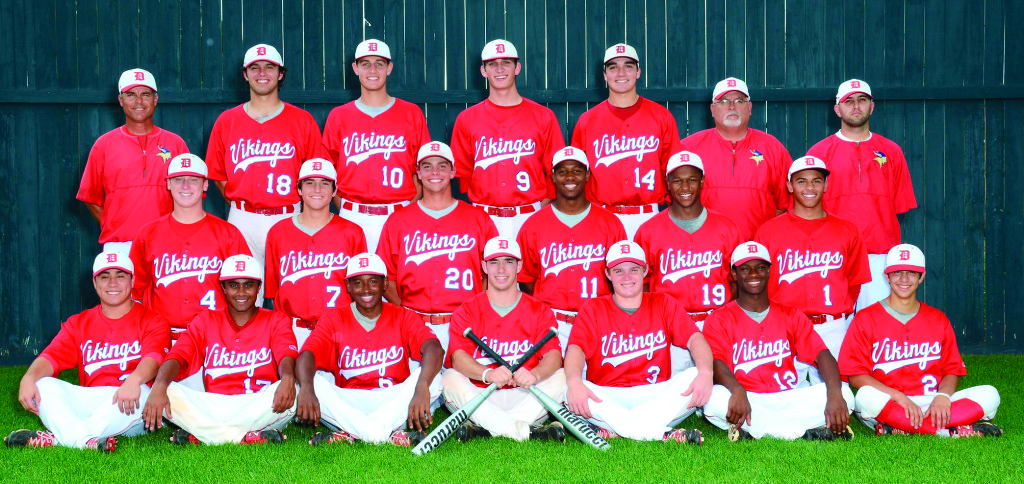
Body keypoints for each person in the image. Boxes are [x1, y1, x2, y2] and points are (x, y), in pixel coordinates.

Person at [5, 250, 170, 452]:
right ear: (95, 283)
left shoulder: (153, 320)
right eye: (104, 276)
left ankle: (63, 438)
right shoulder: (79, 323)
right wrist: (28, 378)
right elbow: (50, 357)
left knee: (145, 390)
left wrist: (134, 380)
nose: (112, 283)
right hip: (91, 399)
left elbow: (153, 360)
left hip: (130, 405)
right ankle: (84, 440)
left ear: (132, 280)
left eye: (120, 275)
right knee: (42, 384)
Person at [839, 244, 1002, 437]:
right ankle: (947, 431)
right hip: (890, 402)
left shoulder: (938, 319)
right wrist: (899, 397)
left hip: (931, 400)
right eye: (897, 272)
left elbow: (952, 369)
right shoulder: (866, 318)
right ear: (887, 276)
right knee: (864, 398)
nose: (904, 279)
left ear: (921, 276)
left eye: (912, 272)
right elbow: (856, 376)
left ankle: (902, 428)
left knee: (990, 394)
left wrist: (942, 397)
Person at [205, 44, 325, 305]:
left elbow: (317, 177)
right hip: (243, 219)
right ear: (245, 74)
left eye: (269, 67)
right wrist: (242, 203)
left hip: (290, 215)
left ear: (280, 73)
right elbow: (217, 174)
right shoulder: (227, 121)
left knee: (295, 291)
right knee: (243, 297)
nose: (262, 73)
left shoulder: (302, 120)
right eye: (254, 68)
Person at [702, 241, 854, 441]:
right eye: (745, 269)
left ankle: (756, 431)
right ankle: (801, 431)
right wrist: (737, 389)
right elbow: (716, 362)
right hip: (749, 398)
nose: (754, 274)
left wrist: (834, 392)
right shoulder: (718, 319)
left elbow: (822, 354)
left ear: (769, 272)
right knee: (713, 400)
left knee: (846, 394)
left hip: (787, 396)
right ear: (734, 274)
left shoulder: (791, 314)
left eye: (760, 268)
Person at [564, 241, 713, 444]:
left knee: (696, 374)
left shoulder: (663, 302)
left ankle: (616, 428)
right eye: (618, 271)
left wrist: (705, 373)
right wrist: (574, 382)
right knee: (566, 388)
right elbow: (576, 349)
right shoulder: (593, 307)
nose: (626, 277)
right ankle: (661, 434)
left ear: (645, 271)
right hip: (608, 395)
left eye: (634, 269)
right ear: (608, 274)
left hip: (656, 394)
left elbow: (695, 338)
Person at [142, 255, 298, 445]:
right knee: (162, 388)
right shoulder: (206, 319)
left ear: (258, 287)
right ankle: (243, 438)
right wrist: (160, 385)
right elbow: (178, 355)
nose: (241, 292)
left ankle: (204, 434)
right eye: (233, 285)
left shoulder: (276, 319)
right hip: (215, 405)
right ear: (223, 288)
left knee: (298, 388)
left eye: (248, 285)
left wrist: (288, 379)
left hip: (259, 404)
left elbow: (286, 355)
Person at [294, 253, 443, 447]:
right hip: (349, 400)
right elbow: (307, 355)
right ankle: (385, 434)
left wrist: (422, 387)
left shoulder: (403, 316)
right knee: (305, 381)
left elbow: (434, 349)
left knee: (435, 379)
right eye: (358, 283)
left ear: (385, 284)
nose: (366, 289)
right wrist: (306, 388)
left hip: (392, 399)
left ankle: (353, 433)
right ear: (348, 286)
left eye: (373, 281)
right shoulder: (333, 318)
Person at [754, 155, 870, 383]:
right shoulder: (768, 231)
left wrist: (837, 311)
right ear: (789, 185)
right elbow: (757, 284)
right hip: (784, 327)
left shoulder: (847, 230)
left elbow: (855, 280)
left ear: (826, 185)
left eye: (817, 181)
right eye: (801, 181)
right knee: (779, 394)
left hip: (831, 327)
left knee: (838, 398)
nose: (810, 187)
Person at [807, 80, 918, 312]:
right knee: (836, 328)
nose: (855, 106)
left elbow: (899, 205)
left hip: (880, 255)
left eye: (862, 100)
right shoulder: (818, 153)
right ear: (837, 109)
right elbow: (807, 211)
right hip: (833, 255)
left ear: (872, 106)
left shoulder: (892, 151)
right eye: (848, 101)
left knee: (877, 329)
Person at [376, 141, 498, 350]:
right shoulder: (398, 220)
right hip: (415, 324)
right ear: (418, 173)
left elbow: (495, 273)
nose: (435, 171)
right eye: (427, 166)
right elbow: (385, 276)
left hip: (466, 325)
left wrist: (475, 307)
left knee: (464, 382)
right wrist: (406, 310)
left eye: (442, 165)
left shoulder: (478, 219)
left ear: (453, 172)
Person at [443, 237, 566, 442]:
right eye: (494, 262)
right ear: (484, 266)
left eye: (508, 261)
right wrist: (487, 373)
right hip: (481, 393)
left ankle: (485, 428)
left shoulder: (539, 309)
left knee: (561, 376)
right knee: (449, 378)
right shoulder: (467, 310)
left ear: (519, 266)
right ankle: (527, 433)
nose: (501, 269)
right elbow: (458, 358)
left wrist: (535, 375)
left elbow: (554, 356)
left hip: (525, 394)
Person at [322, 39, 430, 252]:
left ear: (389, 68)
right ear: (355, 68)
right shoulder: (339, 116)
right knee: (354, 282)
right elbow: (327, 171)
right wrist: (344, 206)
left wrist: (407, 207)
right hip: (352, 215)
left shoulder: (411, 113)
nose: (373, 70)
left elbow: (424, 169)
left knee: (398, 283)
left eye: (379, 63)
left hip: (399, 214)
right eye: (365, 63)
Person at [450, 39, 566, 238]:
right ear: (483, 71)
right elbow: (462, 176)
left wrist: (538, 210)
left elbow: (556, 172)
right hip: (483, 216)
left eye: (506, 62)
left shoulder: (543, 116)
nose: (500, 69)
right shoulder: (466, 119)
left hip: (531, 214)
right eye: (492, 64)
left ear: (517, 67)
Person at [130, 154, 250, 341]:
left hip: (214, 337)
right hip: (161, 338)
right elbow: (135, 292)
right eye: (178, 179)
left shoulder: (228, 234)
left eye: (193, 180)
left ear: (205, 185)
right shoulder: (147, 234)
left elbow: (245, 292)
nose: (185, 186)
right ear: (168, 184)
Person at [517, 146, 626, 352]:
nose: (569, 177)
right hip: (551, 322)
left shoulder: (610, 223)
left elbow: (620, 278)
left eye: (576, 170)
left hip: (597, 320)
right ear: (553, 177)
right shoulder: (533, 225)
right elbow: (526, 280)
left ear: (587, 175)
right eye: (562, 171)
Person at [570, 44, 682, 238]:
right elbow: (575, 176)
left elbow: (674, 172)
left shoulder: (661, 117)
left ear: (638, 72)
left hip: (648, 216)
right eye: (613, 67)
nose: (621, 73)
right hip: (601, 217)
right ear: (604, 75)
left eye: (628, 66)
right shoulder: (587, 121)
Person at [77, 68, 189, 254]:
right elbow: (91, 197)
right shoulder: (103, 145)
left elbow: (191, 196)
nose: (138, 101)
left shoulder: (176, 144)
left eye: (145, 94)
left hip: (168, 245)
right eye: (131, 95)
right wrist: (113, 224)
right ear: (121, 100)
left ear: (155, 99)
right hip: (120, 246)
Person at [264, 159, 367, 347]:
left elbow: (361, 291)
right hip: (292, 331)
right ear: (299, 189)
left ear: (335, 191)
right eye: (310, 183)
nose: (317, 190)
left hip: (340, 330)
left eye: (325, 183)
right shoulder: (278, 232)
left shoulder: (353, 233)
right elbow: (272, 292)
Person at [634, 151, 741, 327]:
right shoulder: (648, 231)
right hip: (668, 324)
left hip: (716, 322)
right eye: (677, 180)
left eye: (691, 180)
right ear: (667, 183)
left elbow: (738, 279)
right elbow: (642, 283)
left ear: (702, 182)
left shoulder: (727, 227)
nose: (685, 187)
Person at [680, 77, 790, 240]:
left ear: (750, 107)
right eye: (723, 101)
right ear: (712, 109)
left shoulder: (772, 147)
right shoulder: (688, 148)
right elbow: (675, 200)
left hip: (757, 252)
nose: (732, 106)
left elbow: (785, 203)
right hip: (703, 249)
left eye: (739, 100)